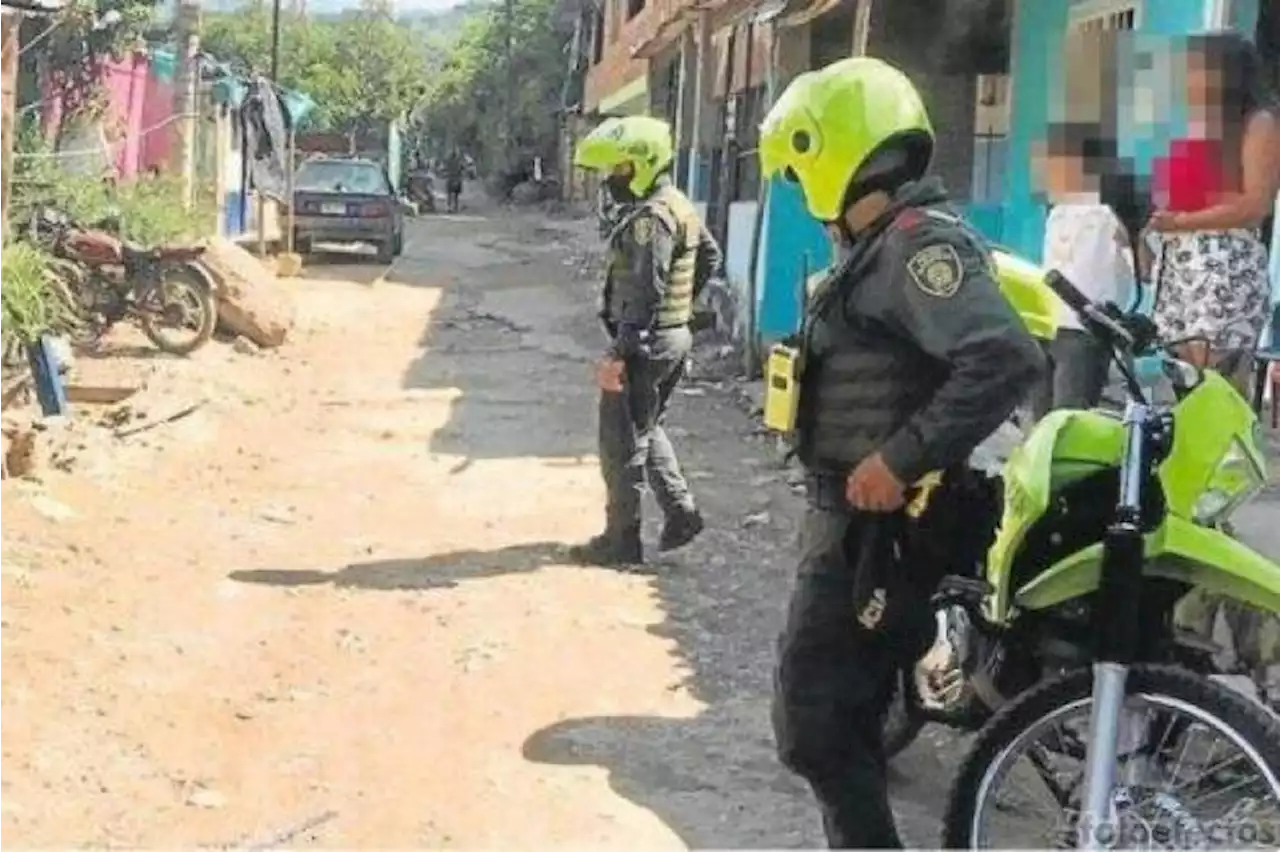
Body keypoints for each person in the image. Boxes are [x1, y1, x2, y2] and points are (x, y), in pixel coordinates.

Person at [757, 57, 1044, 848]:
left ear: (834, 153)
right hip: (851, 523)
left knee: (817, 724)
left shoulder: (915, 248)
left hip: (884, 526)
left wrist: (900, 459)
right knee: (832, 720)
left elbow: (1003, 357)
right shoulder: (878, 248)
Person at [568, 115, 722, 565]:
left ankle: (622, 540)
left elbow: (645, 288)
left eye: (619, 169)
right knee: (646, 426)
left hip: (647, 343)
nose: (612, 179)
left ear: (641, 165)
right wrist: (681, 309)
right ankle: (681, 511)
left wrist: (622, 349)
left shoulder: (650, 219)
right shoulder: (678, 205)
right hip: (670, 338)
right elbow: (708, 257)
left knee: (621, 441)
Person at [1147, 31, 1280, 396]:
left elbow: (1255, 206)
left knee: (1218, 390)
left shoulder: (1259, 124)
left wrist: (1182, 222)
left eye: (1196, 68)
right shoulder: (1198, 128)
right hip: (1180, 269)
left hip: (1225, 271)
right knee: (1186, 387)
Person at [1031, 122, 1138, 414]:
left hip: (1084, 330)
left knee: (1069, 415)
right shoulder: (1056, 214)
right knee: (1040, 419)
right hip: (1046, 326)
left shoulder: (1108, 215)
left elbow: (1141, 265)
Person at [443, 148, 464, 213]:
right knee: (456, 196)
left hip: (450, 178)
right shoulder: (459, 162)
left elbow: (444, 169)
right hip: (457, 179)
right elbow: (463, 168)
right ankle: (455, 207)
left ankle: (449, 207)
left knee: (449, 194)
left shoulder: (448, 162)